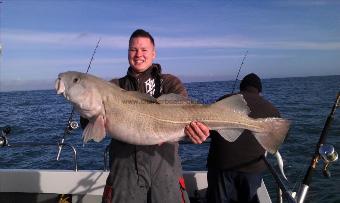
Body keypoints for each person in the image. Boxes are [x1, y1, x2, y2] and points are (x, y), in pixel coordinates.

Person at [81, 29, 208, 203]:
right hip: (124, 173)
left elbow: (185, 120)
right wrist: (85, 109)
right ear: (128, 53)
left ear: (153, 53)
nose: (138, 54)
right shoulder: (114, 86)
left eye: (144, 49)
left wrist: (196, 133)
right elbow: (88, 126)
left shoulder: (170, 83)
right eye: (133, 49)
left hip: (166, 171)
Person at [202, 73, 282, 203]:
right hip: (252, 168)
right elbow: (278, 137)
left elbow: (208, 129)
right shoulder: (272, 109)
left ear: (241, 87)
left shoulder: (224, 100)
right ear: (259, 90)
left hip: (221, 165)